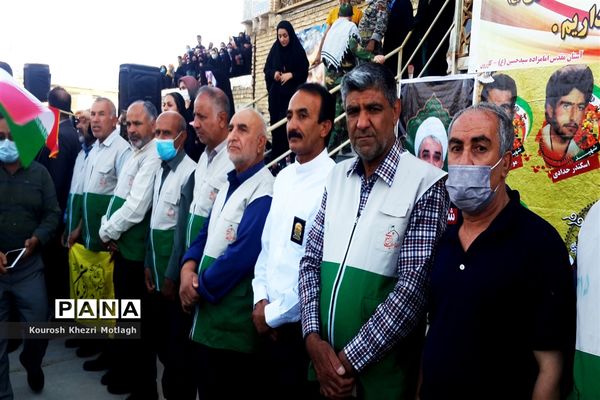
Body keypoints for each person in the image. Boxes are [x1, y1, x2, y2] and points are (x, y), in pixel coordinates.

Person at [299, 62, 449, 399]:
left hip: (381, 382)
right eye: (353, 111)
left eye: (374, 109)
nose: (362, 122)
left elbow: (413, 291)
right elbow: (310, 261)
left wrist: (342, 365)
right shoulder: (337, 177)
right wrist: (312, 340)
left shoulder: (426, 183)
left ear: (396, 110)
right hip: (323, 373)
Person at [419, 103, 576, 399]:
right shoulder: (444, 238)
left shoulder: (540, 244)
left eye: (480, 148)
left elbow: (551, 369)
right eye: (456, 148)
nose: (465, 161)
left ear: (505, 164)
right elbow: (436, 331)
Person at [179, 108, 274, 399]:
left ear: (261, 143)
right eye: (231, 128)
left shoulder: (264, 190)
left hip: (230, 327)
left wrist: (197, 287)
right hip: (208, 319)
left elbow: (241, 256)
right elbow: (204, 235)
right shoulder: (229, 184)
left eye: (242, 129)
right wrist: (187, 268)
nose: (232, 135)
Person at [252, 83, 336, 399]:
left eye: (303, 116)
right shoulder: (284, 178)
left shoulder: (334, 183)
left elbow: (317, 271)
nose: (292, 125)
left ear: (325, 127)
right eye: (289, 116)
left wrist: (273, 315)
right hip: (263, 323)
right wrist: (260, 300)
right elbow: (267, 248)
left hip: (298, 334)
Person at [97, 101, 162, 396]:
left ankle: (143, 388)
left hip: (136, 257)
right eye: (129, 124)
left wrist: (107, 230)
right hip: (122, 249)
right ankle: (125, 374)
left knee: (138, 326)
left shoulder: (153, 157)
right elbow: (117, 197)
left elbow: (136, 208)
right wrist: (107, 226)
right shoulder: (136, 153)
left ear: (153, 124)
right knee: (124, 318)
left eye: (137, 124)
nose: (131, 130)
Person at [67, 97, 131, 370]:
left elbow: (124, 198)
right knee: (93, 291)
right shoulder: (93, 150)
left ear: (115, 119)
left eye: (101, 114)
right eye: (92, 114)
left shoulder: (122, 151)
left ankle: (109, 353)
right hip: (90, 238)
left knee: (109, 298)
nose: (94, 119)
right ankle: (93, 340)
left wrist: (115, 236)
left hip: (108, 242)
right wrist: (79, 228)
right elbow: (87, 196)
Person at [0, 112, 61, 397]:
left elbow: (53, 214)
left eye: (11, 137)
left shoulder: (40, 174)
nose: (6, 142)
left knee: (38, 327)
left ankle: (31, 361)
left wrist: (38, 238)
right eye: (0, 137)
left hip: (28, 267)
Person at [143, 111, 196, 400]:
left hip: (171, 278)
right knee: (158, 341)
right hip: (155, 269)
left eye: (166, 134)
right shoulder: (160, 169)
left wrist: (171, 276)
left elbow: (181, 232)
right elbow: (153, 221)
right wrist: (147, 264)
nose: (160, 139)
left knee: (176, 352)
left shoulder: (189, 172)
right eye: (157, 133)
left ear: (182, 137)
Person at [165, 87, 233, 297]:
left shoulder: (234, 162)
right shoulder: (203, 157)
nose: (195, 123)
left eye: (201, 117)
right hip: (191, 265)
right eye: (194, 116)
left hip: (211, 275)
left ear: (222, 119)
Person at [35, 86, 81, 303]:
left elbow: (56, 181)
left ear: (51, 109)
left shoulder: (60, 137)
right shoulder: (72, 133)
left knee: (55, 266)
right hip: (66, 211)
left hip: (58, 213)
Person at [320, 3, 385, 153]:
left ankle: (345, 146)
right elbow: (355, 48)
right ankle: (331, 152)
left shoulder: (334, 28)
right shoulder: (349, 27)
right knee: (340, 116)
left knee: (339, 113)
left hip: (329, 79)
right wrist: (373, 57)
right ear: (351, 16)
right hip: (339, 79)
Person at [264, 20, 309, 162]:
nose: (282, 39)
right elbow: (267, 69)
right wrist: (274, 74)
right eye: (280, 36)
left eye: (285, 36)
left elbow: (304, 70)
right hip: (276, 99)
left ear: (290, 35)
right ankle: (278, 162)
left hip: (291, 99)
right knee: (277, 129)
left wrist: (292, 75)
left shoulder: (297, 50)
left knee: (290, 127)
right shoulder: (275, 49)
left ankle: (293, 159)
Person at [537, 65, 594, 168]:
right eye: (566, 106)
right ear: (550, 109)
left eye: (580, 107)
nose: (573, 117)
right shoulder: (534, 142)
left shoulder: (583, 151)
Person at [314, 0, 364, 66]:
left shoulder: (358, 13)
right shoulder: (333, 12)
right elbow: (326, 34)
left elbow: (359, 36)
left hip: (348, 58)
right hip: (332, 54)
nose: (342, 1)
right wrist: (319, 54)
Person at [162, 91, 204, 162]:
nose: (165, 108)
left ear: (179, 108)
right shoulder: (161, 130)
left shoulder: (189, 130)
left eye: (170, 105)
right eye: (163, 105)